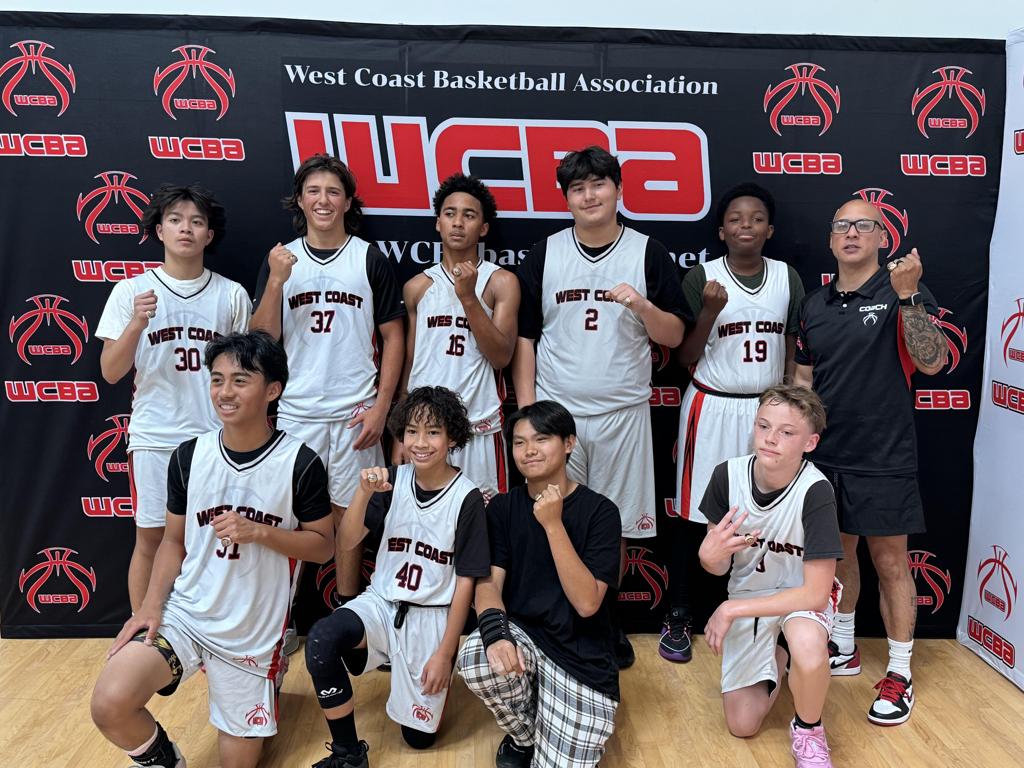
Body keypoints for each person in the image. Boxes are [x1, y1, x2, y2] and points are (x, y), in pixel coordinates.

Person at [90, 331, 335, 768]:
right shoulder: (188, 456)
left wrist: (260, 532)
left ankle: (271, 681)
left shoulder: (300, 462)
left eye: (240, 380)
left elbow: (323, 547)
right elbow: (172, 542)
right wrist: (150, 606)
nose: (225, 392)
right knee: (109, 702)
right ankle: (167, 761)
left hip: (252, 634)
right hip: (187, 615)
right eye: (217, 379)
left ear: (273, 390)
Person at [511, 146, 687, 666]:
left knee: (616, 527)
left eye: (598, 184)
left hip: (622, 413)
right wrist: (530, 413)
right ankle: (553, 626)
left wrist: (642, 305)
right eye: (577, 188)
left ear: (618, 189)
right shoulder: (545, 253)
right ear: (566, 197)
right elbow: (525, 338)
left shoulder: (647, 251)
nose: (589, 196)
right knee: (552, 519)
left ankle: (604, 626)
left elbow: (674, 335)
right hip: (558, 412)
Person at [794, 198, 948, 725]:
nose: (852, 233)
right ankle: (844, 645)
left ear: (883, 238)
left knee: (890, 564)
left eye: (864, 225)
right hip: (825, 457)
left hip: (883, 456)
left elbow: (933, 362)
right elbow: (803, 379)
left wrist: (908, 297)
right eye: (842, 225)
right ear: (830, 238)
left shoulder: (902, 289)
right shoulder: (813, 304)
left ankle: (900, 673)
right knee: (838, 558)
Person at [250, 153, 406, 616]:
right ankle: (280, 620)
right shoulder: (281, 259)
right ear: (299, 200)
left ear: (348, 201)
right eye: (314, 191)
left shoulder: (368, 258)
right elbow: (262, 340)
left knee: (351, 518)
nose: (323, 200)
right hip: (298, 412)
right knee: (286, 518)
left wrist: (382, 408)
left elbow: (394, 337)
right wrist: (276, 282)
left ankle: (347, 612)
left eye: (333, 191)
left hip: (355, 413)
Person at [305, 386, 489, 768]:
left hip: (431, 616)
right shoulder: (391, 481)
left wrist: (445, 654)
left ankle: (419, 677)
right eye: (412, 432)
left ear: (453, 438)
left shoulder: (467, 497)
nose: (420, 442)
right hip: (381, 603)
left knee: (418, 739)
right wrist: (362, 493)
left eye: (433, 432)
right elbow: (348, 541)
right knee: (321, 639)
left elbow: (466, 584)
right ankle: (348, 753)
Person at [664, 182, 805, 664]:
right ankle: (680, 613)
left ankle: (757, 613)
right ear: (721, 231)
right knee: (693, 514)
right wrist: (709, 311)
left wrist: (790, 406)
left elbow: (792, 347)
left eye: (757, 218)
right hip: (712, 405)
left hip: (767, 411)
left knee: (764, 514)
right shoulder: (702, 276)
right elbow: (683, 355)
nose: (747, 225)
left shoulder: (786, 277)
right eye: (736, 219)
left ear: (770, 229)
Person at [95, 183, 250, 613]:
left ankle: (209, 627)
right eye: (176, 220)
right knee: (150, 538)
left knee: (218, 538)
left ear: (209, 235)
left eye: (196, 222)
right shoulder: (131, 291)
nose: (186, 229)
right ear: (159, 230)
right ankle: (142, 631)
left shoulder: (231, 294)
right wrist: (136, 324)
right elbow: (110, 372)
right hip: (155, 435)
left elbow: (248, 375)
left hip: (215, 439)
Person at [458, 400, 621, 768]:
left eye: (541, 439)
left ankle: (549, 718)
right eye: (519, 442)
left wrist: (553, 524)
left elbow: (587, 603)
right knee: (476, 657)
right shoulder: (502, 508)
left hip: (581, 656)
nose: (529, 450)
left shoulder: (601, 512)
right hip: (525, 639)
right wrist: (497, 635)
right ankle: (525, 734)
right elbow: (488, 585)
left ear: (568, 443)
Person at [699, 385, 842, 767]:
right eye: (763, 426)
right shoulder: (727, 476)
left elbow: (816, 593)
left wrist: (730, 609)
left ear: (810, 443)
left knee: (808, 648)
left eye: (786, 432)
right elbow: (718, 566)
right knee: (742, 724)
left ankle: (809, 730)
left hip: (799, 595)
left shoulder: (816, 491)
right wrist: (708, 556)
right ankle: (780, 653)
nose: (770, 438)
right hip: (750, 594)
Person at [400, 173, 520, 500]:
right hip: (424, 432)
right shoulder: (417, 287)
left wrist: (468, 297)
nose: (457, 222)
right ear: (438, 223)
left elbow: (501, 357)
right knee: (425, 522)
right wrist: (400, 431)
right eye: (450, 213)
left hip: (479, 428)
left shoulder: (500, 282)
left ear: (483, 228)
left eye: (469, 215)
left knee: (486, 522)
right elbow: (411, 361)